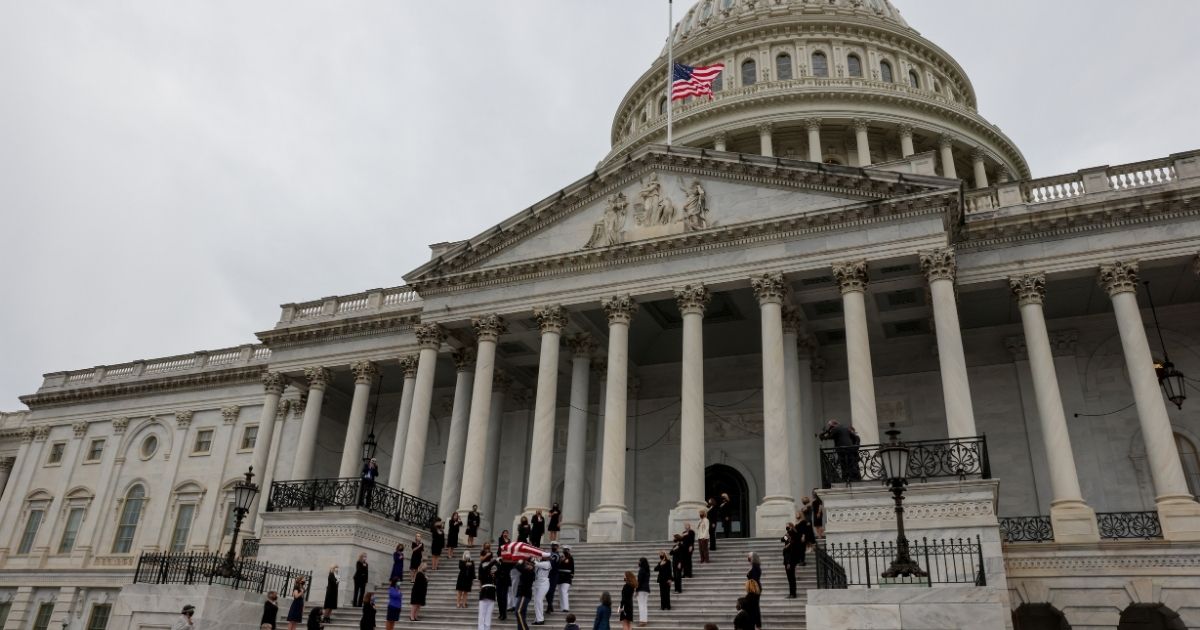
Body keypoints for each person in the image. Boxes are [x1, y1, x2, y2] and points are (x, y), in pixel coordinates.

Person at [478, 554, 497, 630]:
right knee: (482, 615)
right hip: (485, 592)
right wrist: (494, 560)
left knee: (488, 615)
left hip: (491, 593)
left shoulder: (491, 573)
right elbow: (487, 567)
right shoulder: (482, 567)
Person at [515, 559, 535, 630]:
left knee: (518, 612)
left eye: (529, 564)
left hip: (524, 594)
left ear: (532, 566)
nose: (527, 565)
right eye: (527, 564)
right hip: (523, 594)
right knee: (522, 614)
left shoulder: (529, 572)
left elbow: (517, 566)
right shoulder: (527, 571)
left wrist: (521, 561)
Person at [533, 553, 552, 624]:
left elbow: (536, 564)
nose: (541, 558)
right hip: (537, 583)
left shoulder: (547, 563)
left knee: (539, 600)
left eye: (542, 557)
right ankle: (538, 618)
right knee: (536, 602)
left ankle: (540, 619)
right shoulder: (541, 562)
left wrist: (532, 558)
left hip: (544, 584)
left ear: (546, 558)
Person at [782, 523, 799, 599]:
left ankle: (793, 594)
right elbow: (782, 539)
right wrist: (786, 537)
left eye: (788, 526)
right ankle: (792, 593)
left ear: (791, 527)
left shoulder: (794, 535)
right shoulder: (788, 535)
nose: (787, 528)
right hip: (788, 559)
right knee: (790, 578)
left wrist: (789, 563)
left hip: (790, 560)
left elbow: (791, 551)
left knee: (791, 578)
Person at [557, 546, 575, 614]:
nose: (565, 551)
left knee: (564, 592)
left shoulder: (570, 558)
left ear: (569, 550)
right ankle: (562, 607)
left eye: (566, 550)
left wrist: (571, 576)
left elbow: (572, 568)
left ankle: (566, 608)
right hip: (560, 577)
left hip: (567, 577)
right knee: (560, 592)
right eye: (564, 550)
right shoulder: (561, 558)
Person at [546, 542, 561, 614]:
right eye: (553, 546)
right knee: (547, 591)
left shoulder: (556, 555)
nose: (554, 547)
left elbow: (552, 564)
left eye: (555, 546)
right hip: (548, 575)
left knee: (551, 591)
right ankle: (550, 605)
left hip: (554, 575)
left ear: (557, 547)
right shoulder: (550, 554)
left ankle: (549, 606)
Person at [496, 557, 512, 621]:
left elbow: (507, 570)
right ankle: (500, 613)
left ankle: (504, 614)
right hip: (498, 582)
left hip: (505, 582)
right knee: (499, 598)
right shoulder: (497, 562)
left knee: (504, 598)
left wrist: (502, 562)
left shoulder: (507, 563)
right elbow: (496, 571)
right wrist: (498, 563)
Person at [635, 558, 650, 627]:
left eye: (639, 561)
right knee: (644, 605)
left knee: (641, 605)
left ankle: (642, 621)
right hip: (646, 589)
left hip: (641, 589)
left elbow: (639, 581)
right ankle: (645, 620)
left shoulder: (641, 570)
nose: (638, 563)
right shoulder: (647, 570)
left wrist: (636, 590)